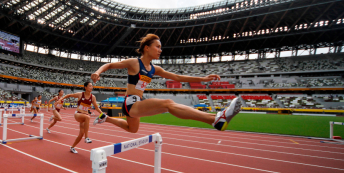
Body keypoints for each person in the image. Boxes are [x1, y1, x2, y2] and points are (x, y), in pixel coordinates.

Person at [91, 34, 241, 133]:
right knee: (168, 103)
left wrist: (203, 79)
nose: (160, 50)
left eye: (160, 47)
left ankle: (106, 118)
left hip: (137, 103)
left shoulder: (155, 69)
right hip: (130, 103)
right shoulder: (134, 63)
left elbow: (177, 77)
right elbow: (110, 65)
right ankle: (215, 119)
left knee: (132, 129)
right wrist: (98, 72)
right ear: (147, 48)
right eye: (157, 46)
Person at [59, 82, 104, 154]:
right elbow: (69, 95)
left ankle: (72, 147)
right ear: (85, 87)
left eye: (92, 86)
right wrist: (61, 99)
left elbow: (96, 107)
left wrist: (102, 113)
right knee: (87, 117)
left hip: (84, 116)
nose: (91, 87)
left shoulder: (93, 97)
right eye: (90, 86)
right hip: (78, 114)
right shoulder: (80, 94)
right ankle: (87, 138)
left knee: (81, 134)